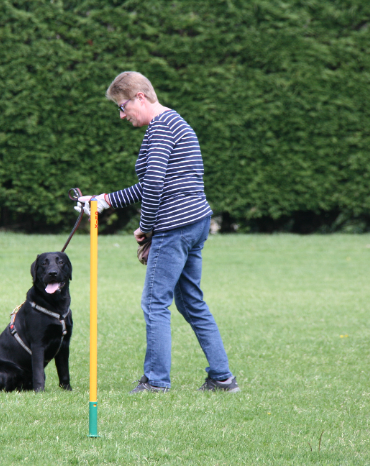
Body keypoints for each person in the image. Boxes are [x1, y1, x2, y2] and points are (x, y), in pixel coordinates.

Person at [78, 71, 239, 393]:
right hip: (194, 222)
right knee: (192, 302)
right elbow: (152, 183)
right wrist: (106, 200)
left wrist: (147, 228)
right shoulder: (174, 123)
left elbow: (154, 185)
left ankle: (155, 383)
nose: (122, 115)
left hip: (175, 227)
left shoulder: (162, 128)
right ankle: (222, 378)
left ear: (140, 97)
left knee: (155, 303)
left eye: (122, 106)